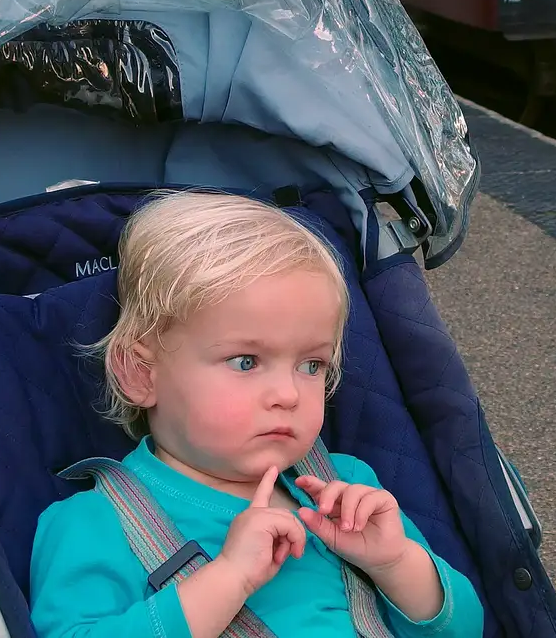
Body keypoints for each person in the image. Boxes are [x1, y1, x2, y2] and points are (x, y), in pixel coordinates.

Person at [30, 192, 483, 638]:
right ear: (141, 374)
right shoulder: (94, 522)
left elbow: (465, 629)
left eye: (312, 366)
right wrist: (228, 580)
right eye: (245, 361)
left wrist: (395, 563)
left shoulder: (346, 490)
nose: (288, 394)